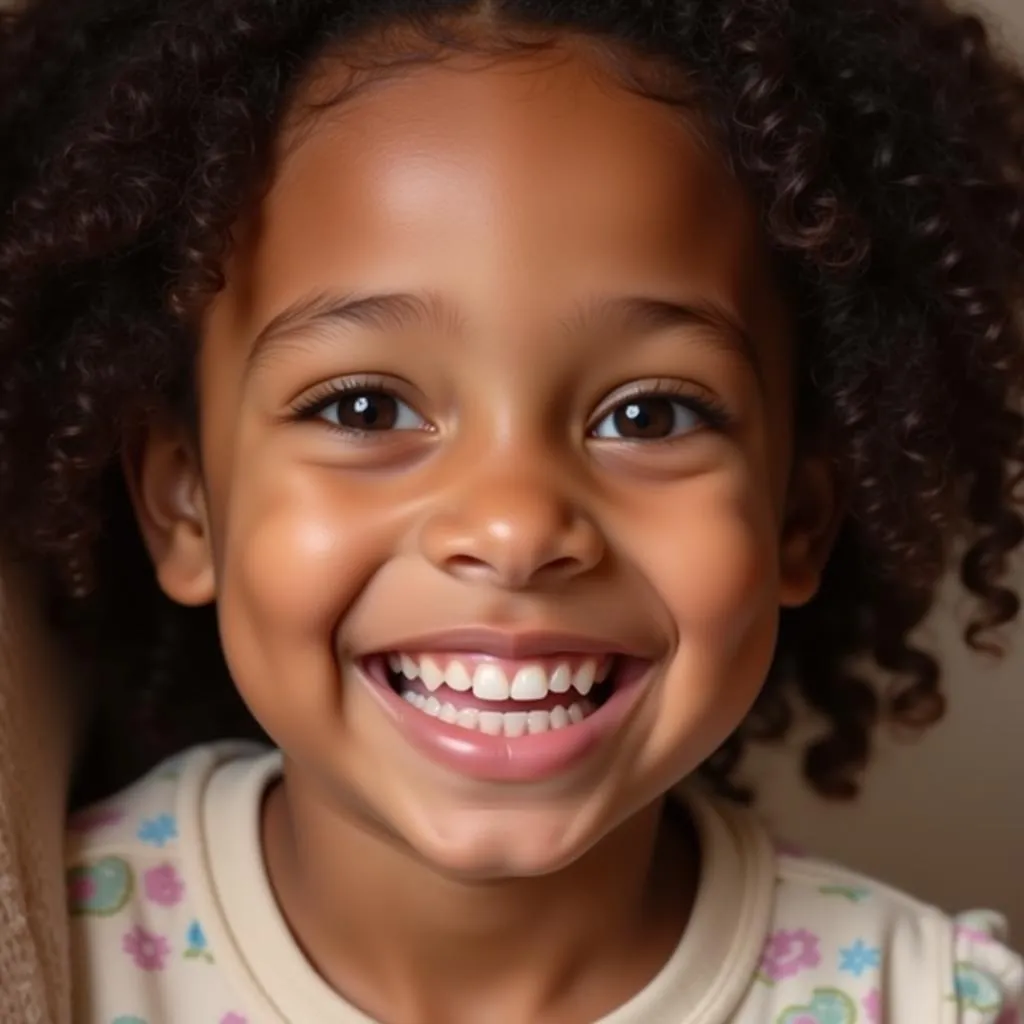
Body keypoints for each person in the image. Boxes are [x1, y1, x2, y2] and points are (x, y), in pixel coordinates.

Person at [2, 0, 1024, 1020]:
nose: (515, 525)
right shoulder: (54, 961)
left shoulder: (927, 1001)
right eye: (366, 407)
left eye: (649, 414)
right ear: (186, 500)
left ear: (796, 516)